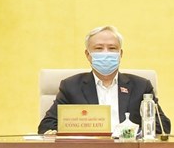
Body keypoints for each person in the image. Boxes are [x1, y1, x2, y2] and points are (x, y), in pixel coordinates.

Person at [38, 25, 170, 135]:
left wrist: (130, 134)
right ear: (88, 55)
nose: (106, 53)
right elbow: (46, 126)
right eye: (99, 48)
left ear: (120, 54)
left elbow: (162, 126)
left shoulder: (141, 86)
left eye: (112, 48)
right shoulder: (71, 86)